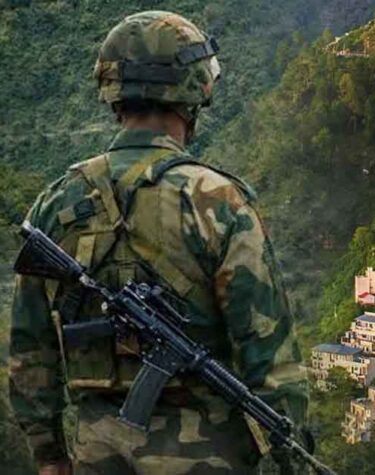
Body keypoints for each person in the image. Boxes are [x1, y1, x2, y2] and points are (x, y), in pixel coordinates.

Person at [9, 11, 307, 475]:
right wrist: (292, 456)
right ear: (193, 92)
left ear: (113, 92)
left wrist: (49, 456)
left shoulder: (56, 202)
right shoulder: (218, 202)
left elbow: (31, 348)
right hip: (209, 458)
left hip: (97, 457)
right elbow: (270, 354)